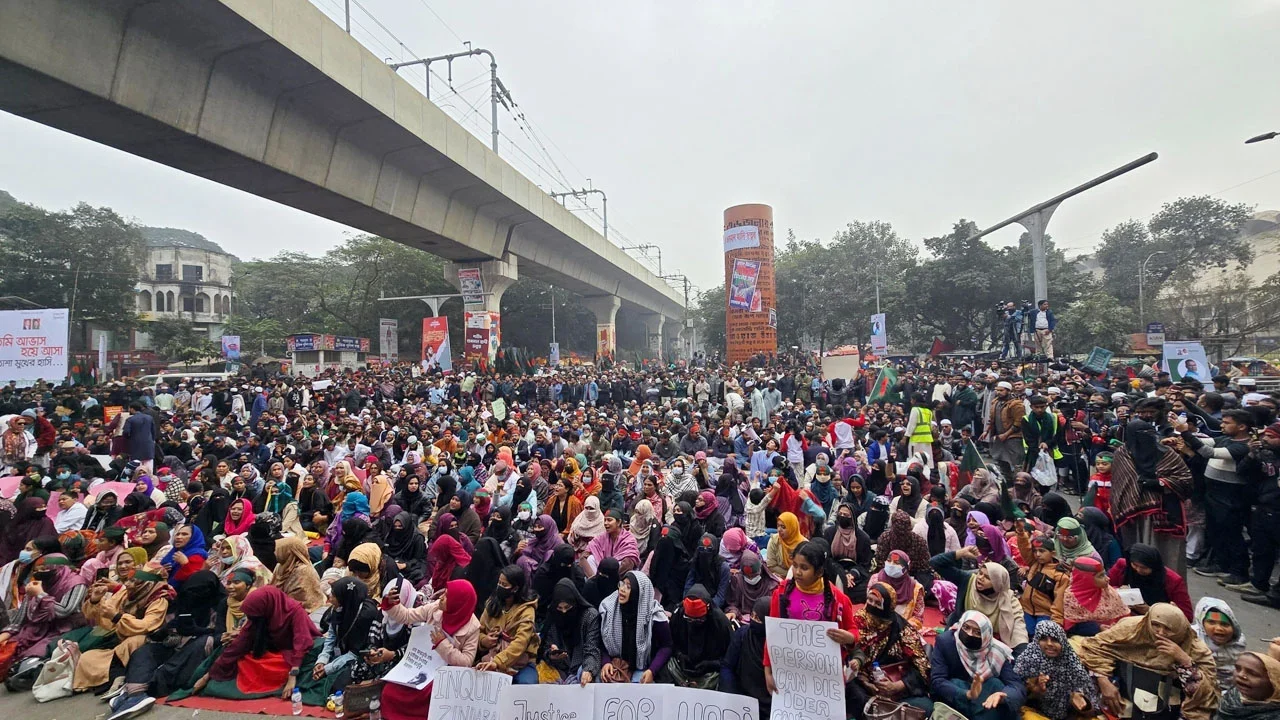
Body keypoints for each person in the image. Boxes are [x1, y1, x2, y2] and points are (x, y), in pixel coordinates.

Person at [1078, 603, 1218, 720]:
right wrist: (1104, 681)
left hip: (1170, 703)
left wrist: (1183, 659)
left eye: (1168, 629)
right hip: (1125, 692)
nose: (1160, 633)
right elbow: (1094, 648)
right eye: (1156, 625)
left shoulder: (1195, 648)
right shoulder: (1132, 630)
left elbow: (1206, 693)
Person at [190, 585, 322, 700]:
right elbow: (240, 643)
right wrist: (208, 676)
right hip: (275, 649)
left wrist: (293, 675)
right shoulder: (259, 617)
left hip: (298, 653)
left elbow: (302, 642)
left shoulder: (295, 611)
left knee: (278, 665)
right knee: (235, 654)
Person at [380, 580, 480, 720]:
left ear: (456, 603)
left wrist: (442, 644)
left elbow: (467, 662)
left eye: (446, 596)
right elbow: (407, 616)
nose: (441, 598)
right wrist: (392, 604)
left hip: (444, 673)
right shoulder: (435, 609)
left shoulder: (472, 627)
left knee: (427, 697)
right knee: (391, 691)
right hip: (422, 663)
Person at [74, 560, 175, 692]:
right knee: (88, 658)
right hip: (121, 640)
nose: (127, 584)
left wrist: (117, 617)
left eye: (134, 581)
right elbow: (105, 618)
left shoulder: (159, 599)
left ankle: (118, 677)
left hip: (150, 642)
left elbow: (147, 626)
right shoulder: (126, 593)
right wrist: (96, 600)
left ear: (147, 584)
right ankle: (111, 677)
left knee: (132, 643)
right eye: (128, 580)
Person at [846, 582, 934, 720]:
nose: (872, 606)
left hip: (896, 686)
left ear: (888, 606)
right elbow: (848, 654)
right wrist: (864, 680)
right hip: (863, 684)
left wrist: (898, 686)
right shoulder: (858, 621)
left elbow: (923, 666)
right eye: (869, 600)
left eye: (877, 603)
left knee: (924, 707)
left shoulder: (902, 629)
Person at [0, 553, 86, 677]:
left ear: (59, 568)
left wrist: (40, 595)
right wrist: (3, 637)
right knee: (9, 650)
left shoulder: (76, 583)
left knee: (31, 657)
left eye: (45, 569)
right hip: (35, 630)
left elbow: (64, 611)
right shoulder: (37, 584)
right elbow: (19, 620)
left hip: (64, 630)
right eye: (37, 570)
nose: (40, 573)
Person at [929, 611, 1026, 720]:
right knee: (954, 682)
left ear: (986, 636)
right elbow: (938, 680)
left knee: (995, 684)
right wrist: (967, 694)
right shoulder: (947, 642)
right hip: (955, 699)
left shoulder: (997, 652)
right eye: (966, 627)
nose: (969, 634)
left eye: (977, 632)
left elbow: (1017, 686)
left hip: (987, 702)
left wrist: (1002, 696)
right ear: (960, 625)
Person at [932, 545, 1029, 651]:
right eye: (980, 573)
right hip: (960, 635)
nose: (980, 578)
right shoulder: (968, 580)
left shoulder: (1008, 599)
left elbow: (1018, 627)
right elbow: (934, 563)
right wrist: (960, 553)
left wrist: (1020, 650)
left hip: (990, 645)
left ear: (997, 583)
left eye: (987, 577)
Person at [313, 576, 397, 691]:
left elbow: (355, 652)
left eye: (334, 595)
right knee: (310, 651)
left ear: (344, 597)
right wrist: (322, 660)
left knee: (337, 683)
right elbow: (331, 636)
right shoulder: (338, 608)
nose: (330, 598)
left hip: (357, 656)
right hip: (339, 650)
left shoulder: (365, 615)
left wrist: (328, 668)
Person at [1013, 620, 1102, 720]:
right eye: (1043, 639)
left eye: (1055, 640)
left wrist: (1079, 701)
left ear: (1062, 641)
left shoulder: (1071, 661)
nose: (1049, 644)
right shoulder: (1027, 660)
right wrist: (1034, 690)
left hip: (1069, 714)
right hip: (1037, 712)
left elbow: (1090, 702)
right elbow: (1015, 692)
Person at [598, 570, 670, 684]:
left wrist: (652, 670)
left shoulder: (654, 615)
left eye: (628, 587)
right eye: (622, 584)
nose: (622, 589)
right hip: (616, 663)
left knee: (639, 687)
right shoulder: (609, 609)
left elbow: (666, 646)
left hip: (641, 667)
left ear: (639, 592)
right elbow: (601, 643)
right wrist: (606, 662)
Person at [475, 565, 539, 683]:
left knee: (526, 684)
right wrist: (484, 641)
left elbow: (521, 642)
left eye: (504, 585)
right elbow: (479, 630)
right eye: (499, 583)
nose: (500, 587)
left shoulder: (526, 610)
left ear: (515, 589)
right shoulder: (492, 604)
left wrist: (497, 662)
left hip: (520, 662)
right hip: (490, 655)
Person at [662, 583, 733, 689]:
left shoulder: (720, 623)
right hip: (681, 668)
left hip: (710, 672)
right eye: (689, 619)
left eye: (699, 620)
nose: (693, 623)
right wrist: (680, 656)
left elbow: (730, 657)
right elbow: (669, 644)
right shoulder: (678, 616)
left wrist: (711, 664)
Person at [535, 578, 600, 685]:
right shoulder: (553, 617)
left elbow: (592, 648)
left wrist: (589, 669)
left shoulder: (589, 616)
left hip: (581, 664)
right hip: (559, 666)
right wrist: (552, 655)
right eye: (560, 608)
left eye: (567, 607)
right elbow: (546, 648)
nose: (564, 612)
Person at [1108, 543, 1193, 620]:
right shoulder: (1123, 566)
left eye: (1144, 568)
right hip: (1123, 616)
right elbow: (1105, 588)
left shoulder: (1172, 580)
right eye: (1135, 565)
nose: (1138, 570)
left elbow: (1187, 616)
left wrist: (1150, 610)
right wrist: (1119, 591)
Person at [721, 597, 773, 714]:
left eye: (758, 619)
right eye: (752, 616)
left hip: (771, 706)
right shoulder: (742, 635)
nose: (754, 621)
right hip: (744, 701)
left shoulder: (779, 645)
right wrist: (731, 696)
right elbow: (727, 666)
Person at [1015, 527, 1068, 633]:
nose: (1038, 554)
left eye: (1042, 551)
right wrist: (1021, 534)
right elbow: (1025, 549)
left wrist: (1056, 622)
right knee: (1026, 636)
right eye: (1035, 551)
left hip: (1045, 613)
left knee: (1041, 638)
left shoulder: (1060, 575)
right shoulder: (1034, 564)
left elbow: (1059, 602)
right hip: (1027, 610)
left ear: (1052, 553)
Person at [1062, 556, 1129, 637]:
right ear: (1086, 579)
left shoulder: (1109, 592)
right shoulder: (1071, 597)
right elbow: (1071, 626)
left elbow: (1124, 617)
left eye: (1104, 574)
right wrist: (1098, 628)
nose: (1107, 578)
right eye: (1101, 576)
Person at [1193, 597, 1247, 694]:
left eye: (1224, 624)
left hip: (1228, 690)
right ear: (1202, 623)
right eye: (1211, 622)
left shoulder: (1239, 642)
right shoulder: (1193, 637)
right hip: (1198, 688)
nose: (1219, 628)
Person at [270, 536, 328, 620]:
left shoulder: (304, 571)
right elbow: (273, 585)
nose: (275, 552)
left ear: (289, 552)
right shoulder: (281, 566)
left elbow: (304, 601)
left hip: (302, 611)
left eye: (279, 549)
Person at [1215, 652, 1280, 720]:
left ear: (1274, 682)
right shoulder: (1233, 694)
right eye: (1238, 668)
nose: (1240, 675)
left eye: (1253, 673)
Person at [871, 549, 926, 629]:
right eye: (889, 561)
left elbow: (918, 618)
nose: (891, 565)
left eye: (896, 563)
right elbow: (869, 607)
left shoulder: (916, 588)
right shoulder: (875, 580)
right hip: (877, 626)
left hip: (903, 629)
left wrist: (900, 628)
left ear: (905, 568)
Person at [765, 511, 806, 578]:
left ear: (792, 528)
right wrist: (789, 575)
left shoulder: (804, 545)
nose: (779, 530)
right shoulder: (774, 540)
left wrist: (792, 576)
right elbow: (771, 566)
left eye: (783, 527)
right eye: (778, 526)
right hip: (779, 578)